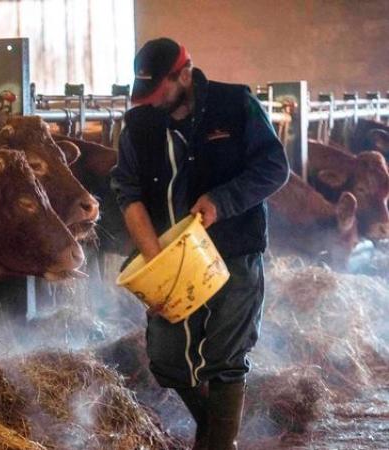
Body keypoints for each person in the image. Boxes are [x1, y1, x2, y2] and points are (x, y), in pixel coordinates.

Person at [110, 38, 289, 450]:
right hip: (171, 257)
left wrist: (222, 201)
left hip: (232, 253)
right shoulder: (139, 124)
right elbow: (127, 190)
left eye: (160, 93)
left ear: (185, 74)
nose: (153, 104)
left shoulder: (234, 105)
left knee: (225, 361)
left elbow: (274, 167)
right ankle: (216, 435)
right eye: (146, 95)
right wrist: (154, 260)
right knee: (168, 360)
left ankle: (215, 444)